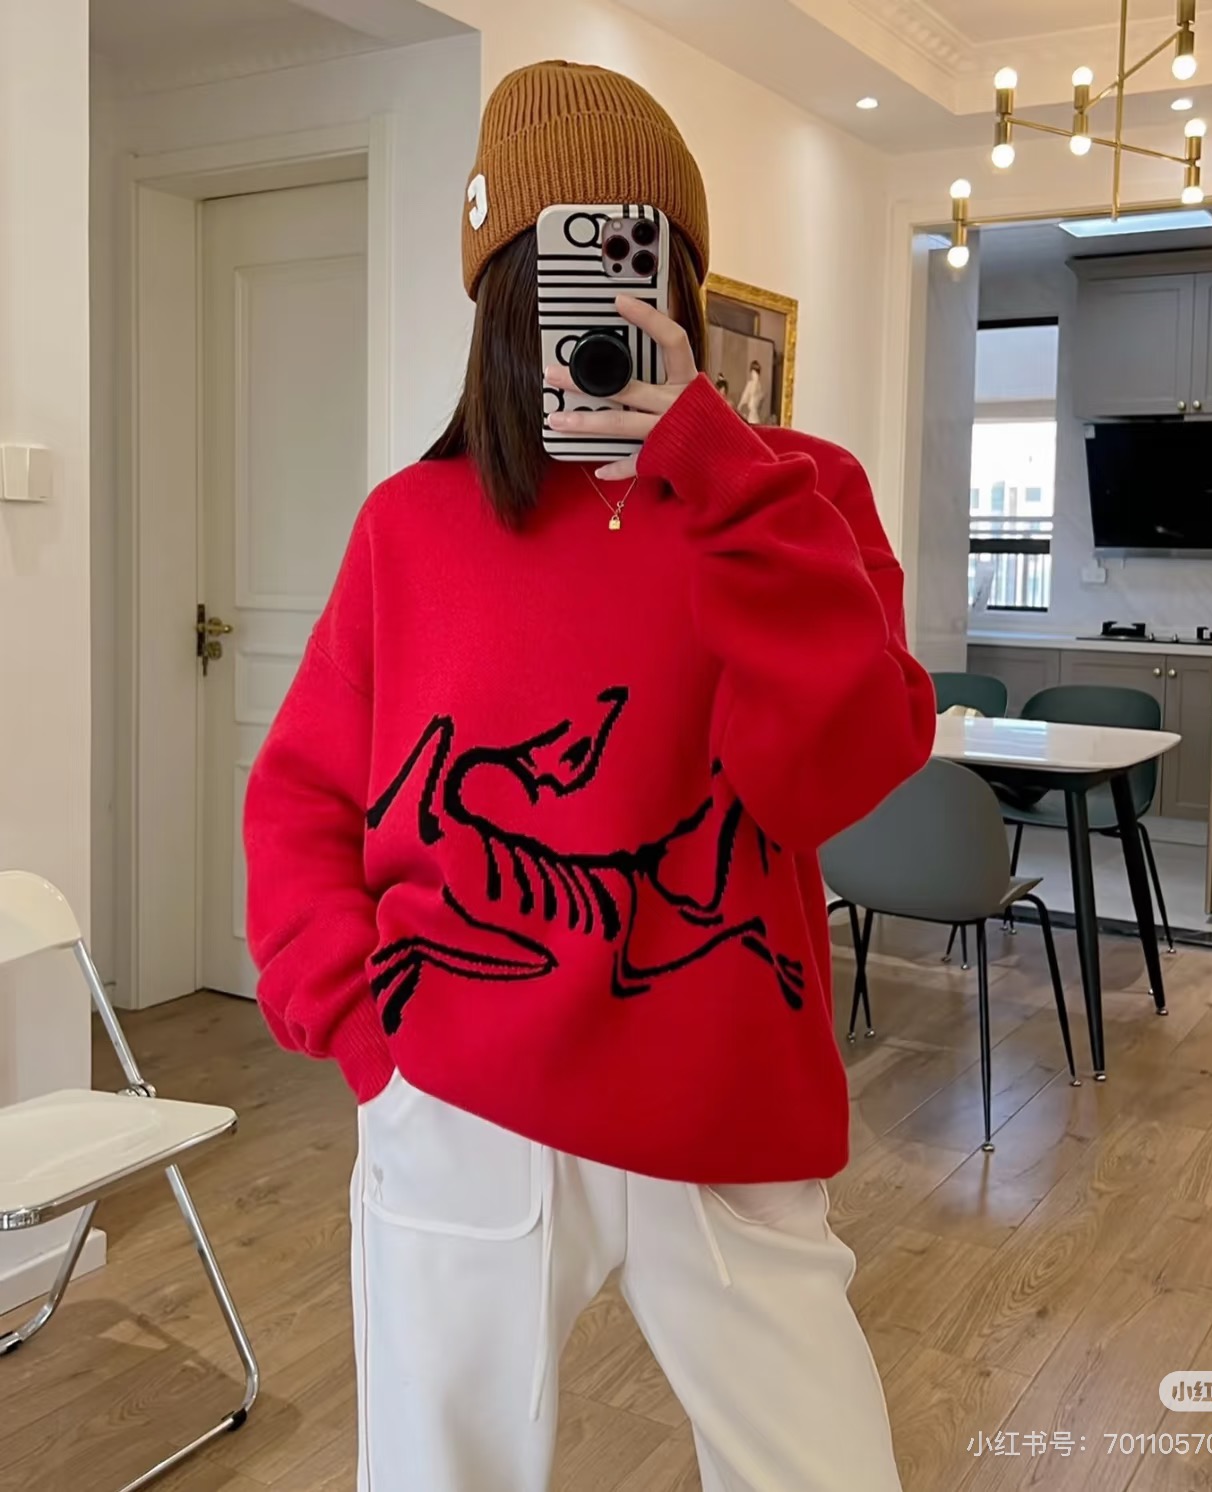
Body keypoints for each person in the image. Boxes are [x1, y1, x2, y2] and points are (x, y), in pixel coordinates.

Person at [245, 59, 933, 1492]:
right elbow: (303, 794)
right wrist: (366, 1035)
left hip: (727, 1099)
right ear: (502, 293)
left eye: (640, 261)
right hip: (464, 1096)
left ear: (682, 282)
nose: (603, 308)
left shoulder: (793, 494)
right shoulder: (410, 526)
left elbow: (830, 771)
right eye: (561, 269)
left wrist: (713, 465)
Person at [738, 357, 766, 424]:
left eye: (756, 372)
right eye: (753, 372)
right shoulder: (751, 384)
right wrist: (739, 407)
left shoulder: (758, 386)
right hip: (751, 415)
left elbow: (745, 398)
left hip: (754, 416)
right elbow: (744, 398)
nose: (754, 374)